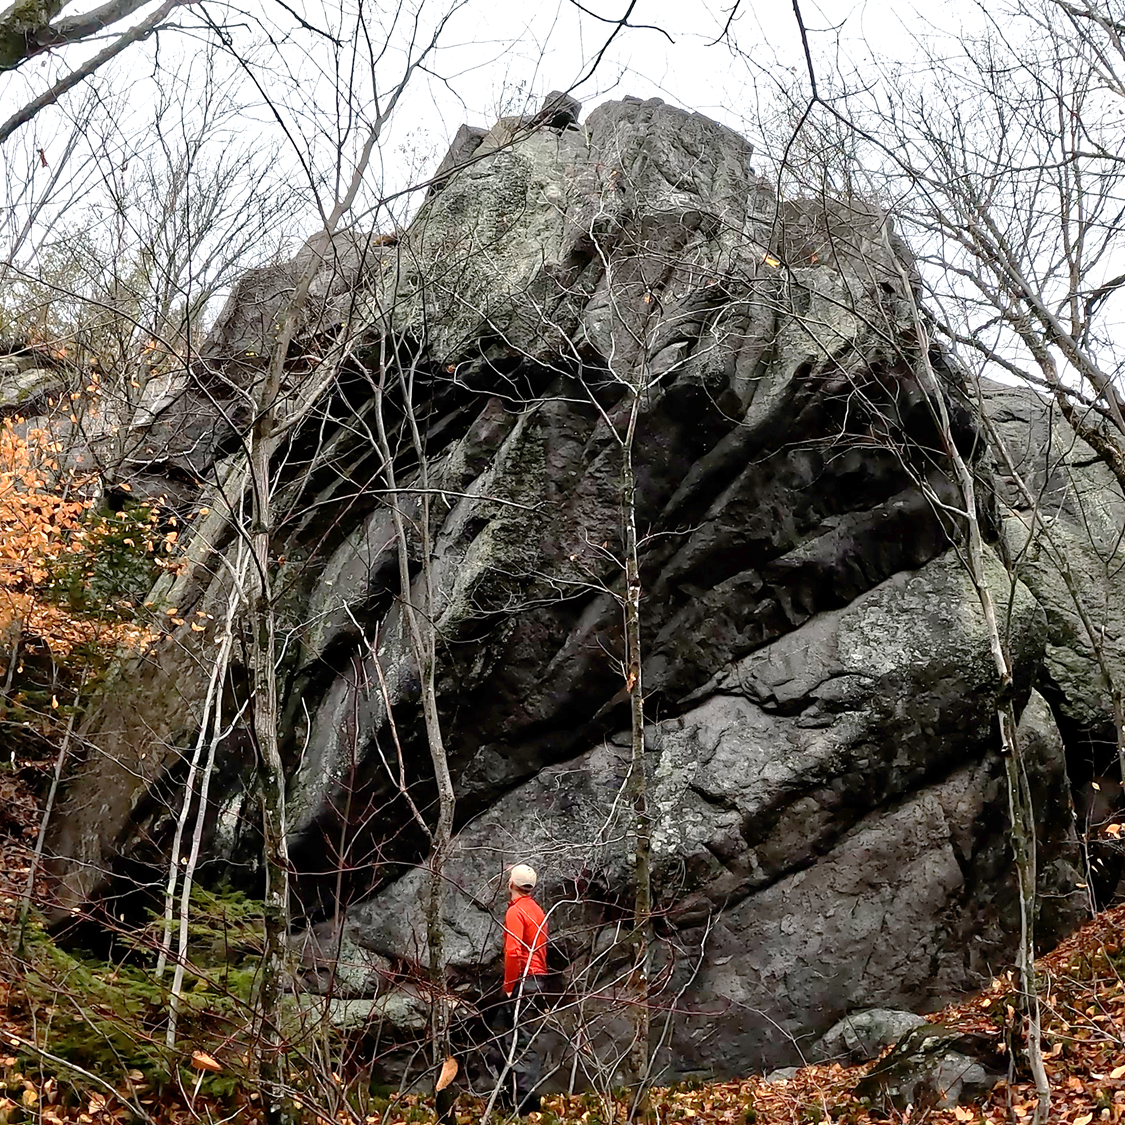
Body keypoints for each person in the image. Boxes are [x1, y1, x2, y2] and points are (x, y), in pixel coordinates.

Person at [501, 863, 548, 1114]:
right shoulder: (537, 911)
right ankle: (515, 1098)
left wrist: (509, 986)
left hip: (523, 981)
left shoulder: (515, 912)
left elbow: (513, 951)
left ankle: (524, 1105)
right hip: (538, 980)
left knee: (520, 1042)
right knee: (519, 1039)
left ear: (511, 885)